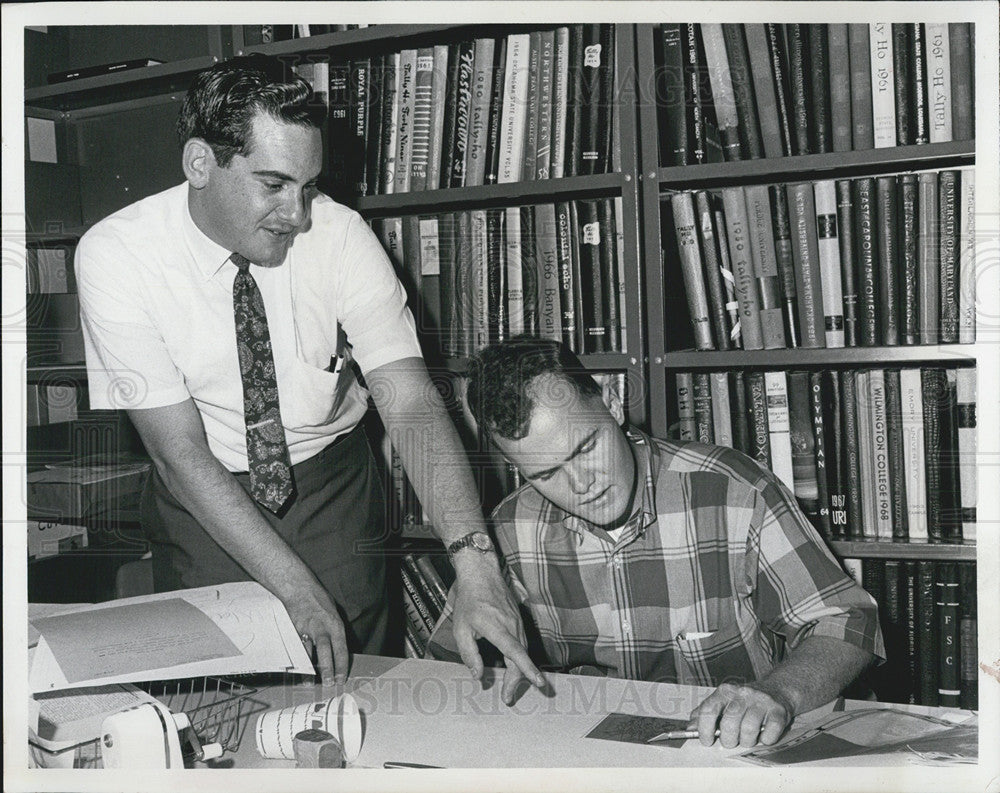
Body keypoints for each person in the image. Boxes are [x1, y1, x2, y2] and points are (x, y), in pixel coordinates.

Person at [75, 54, 544, 697]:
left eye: (308, 184)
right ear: (201, 164)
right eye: (273, 184)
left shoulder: (342, 235)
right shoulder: (117, 254)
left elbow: (408, 400)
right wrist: (295, 588)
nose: (298, 214)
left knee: (354, 694)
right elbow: (178, 453)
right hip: (203, 498)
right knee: (217, 704)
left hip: (334, 489)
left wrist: (476, 563)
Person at [430, 336, 884, 747]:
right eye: (545, 474)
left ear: (611, 401)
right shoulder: (506, 530)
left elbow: (847, 621)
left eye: (586, 447)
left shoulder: (733, 490)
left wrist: (778, 692)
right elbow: (446, 669)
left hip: (731, 753)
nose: (582, 483)